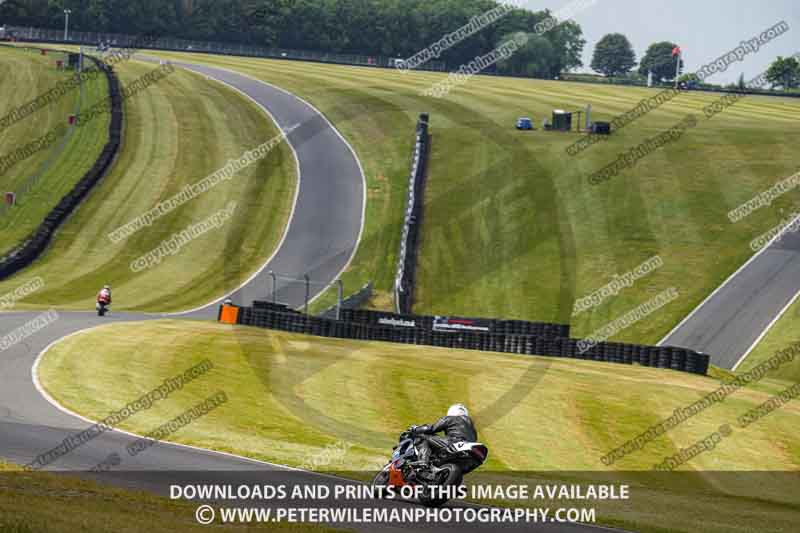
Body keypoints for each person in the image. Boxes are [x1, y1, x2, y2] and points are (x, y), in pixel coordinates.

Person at [411, 403, 477, 467]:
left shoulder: (450, 418)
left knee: (422, 437)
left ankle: (423, 460)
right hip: (467, 450)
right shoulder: (471, 425)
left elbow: (432, 428)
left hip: (454, 442)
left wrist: (416, 429)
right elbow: (475, 437)